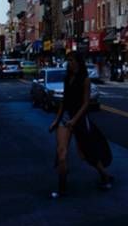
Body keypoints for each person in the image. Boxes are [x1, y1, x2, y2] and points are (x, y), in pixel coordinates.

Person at [49, 51, 114, 198]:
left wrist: (75, 120)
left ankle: (105, 175)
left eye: (72, 60)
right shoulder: (67, 78)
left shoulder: (85, 80)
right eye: (68, 60)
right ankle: (62, 188)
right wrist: (56, 120)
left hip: (79, 118)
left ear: (78, 62)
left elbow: (85, 104)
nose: (69, 63)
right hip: (66, 118)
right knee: (61, 153)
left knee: (87, 152)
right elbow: (64, 101)